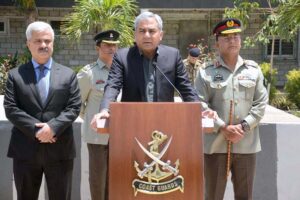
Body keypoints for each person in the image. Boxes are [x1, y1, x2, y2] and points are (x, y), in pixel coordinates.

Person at [90, 11, 215, 128]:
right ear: (135, 34)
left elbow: (186, 88)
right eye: (142, 31)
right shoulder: (122, 57)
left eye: (151, 31)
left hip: (165, 123)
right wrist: (105, 109)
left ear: (160, 35)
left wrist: (200, 110)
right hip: (132, 124)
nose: (147, 35)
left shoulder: (173, 56)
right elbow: (112, 85)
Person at [3, 21, 81, 200]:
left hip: (60, 150)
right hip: (25, 151)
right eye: (38, 41)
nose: (43, 45)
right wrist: (38, 130)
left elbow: (74, 106)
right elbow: (11, 108)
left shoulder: (68, 75)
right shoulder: (16, 75)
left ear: (53, 43)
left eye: (47, 41)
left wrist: (52, 127)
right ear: (28, 44)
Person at [195, 18, 268, 200]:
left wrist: (242, 126)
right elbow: (199, 104)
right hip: (216, 145)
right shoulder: (206, 71)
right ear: (217, 42)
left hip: (246, 144)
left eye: (236, 36)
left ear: (241, 40)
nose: (232, 41)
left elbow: (260, 103)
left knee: (245, 196)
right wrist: (223, 127)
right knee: (213, 195)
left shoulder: (253, 70)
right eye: (226, 37)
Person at [77, 30, 120, 200]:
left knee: (118, 179)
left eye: (114, 45)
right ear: (98, 47)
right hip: (98, 137)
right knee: (98, 180)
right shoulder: (89, 73)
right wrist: (91, 120)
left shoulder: (122, 71)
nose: (111, 48)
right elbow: (78, 104)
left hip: (121, 136)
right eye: (106, 45)